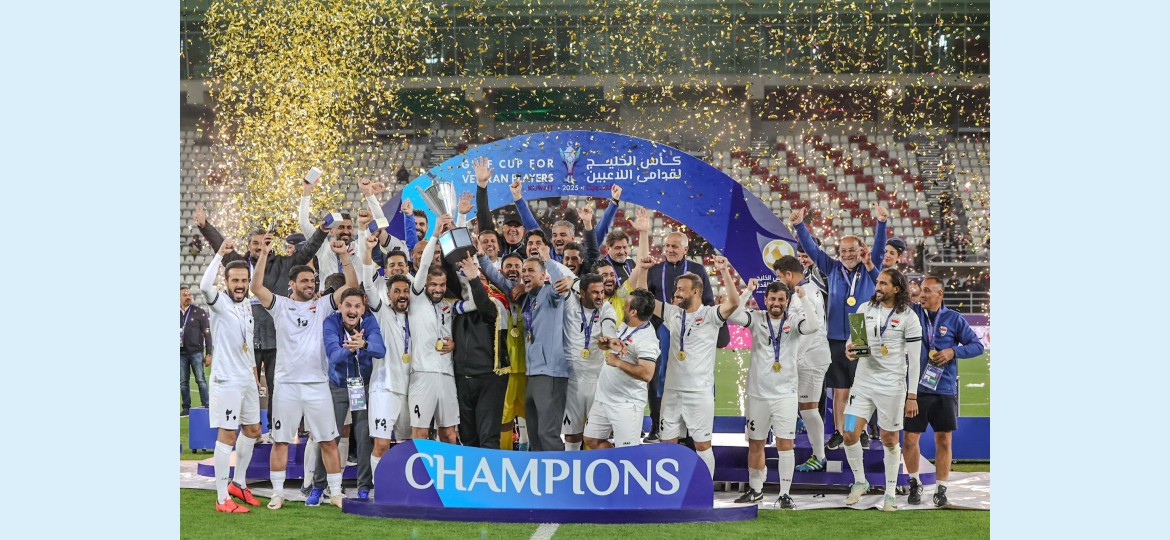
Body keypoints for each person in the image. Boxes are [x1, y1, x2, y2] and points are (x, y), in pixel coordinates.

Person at [193, 203, 328, 429]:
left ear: (269, 244)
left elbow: (307, 251)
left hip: (277, 339)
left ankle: (276, 429)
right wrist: (205, 226)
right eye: (254, 243)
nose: (258, 247)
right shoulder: (240, 264)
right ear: (249, 246)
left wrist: (321, 232)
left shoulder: (284, 264)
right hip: (247, 341)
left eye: (262, 242)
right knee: (248, 388)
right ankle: (249, 431)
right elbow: (219, 243)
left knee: (278, 388)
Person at [251, 237, 357, 510]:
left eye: (313, 281)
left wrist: (344, 256)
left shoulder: (322, 306)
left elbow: (352, 287)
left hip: (317, 384)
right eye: (305, 281)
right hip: (286, 385)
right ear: (292, 284)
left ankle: (336, 493)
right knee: (281, 441)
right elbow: (256, 287)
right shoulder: (279, 305)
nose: (311, 285)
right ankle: (277, 493)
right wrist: (263, 254)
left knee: (328, 441)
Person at [789, 205, 887, 451]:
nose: (848, 254)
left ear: (860, 250)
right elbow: (812, 249)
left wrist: (881, 223)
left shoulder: (868, 268)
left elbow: (878, 249)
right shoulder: (832, 267)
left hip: (859, 332)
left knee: (859, 389)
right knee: (840, 389)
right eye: (843, 251)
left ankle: (859, 431)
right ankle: (840, 432)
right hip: (833, 335)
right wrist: (799, 225)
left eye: (852, 250)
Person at [635, 256, 740, 479]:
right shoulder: (673, 313)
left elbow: (733, 302)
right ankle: (671, 489)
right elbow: (644, 299)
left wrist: (724, 271)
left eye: (682, 289)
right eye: (677, 289)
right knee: (667, 444)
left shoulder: (710, 315)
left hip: (699, 393)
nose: (677, 293)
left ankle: (706, 490)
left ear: (696, 292)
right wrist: (643, 271)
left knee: (702, 445)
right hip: (672, 392)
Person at [728, 279, 821, 508]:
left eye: (781, 299)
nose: (776, 303)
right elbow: (734, 315)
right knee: (756, 443)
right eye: (772, 299)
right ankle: (756, 490)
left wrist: (803, 298)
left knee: (785, 444)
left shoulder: (793, 320)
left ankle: (785, 494)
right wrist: (748, 291)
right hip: (758, 393)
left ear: (787, 301)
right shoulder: (757, 318)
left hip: (785, 395)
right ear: (766, 300)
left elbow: (813, 326)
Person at [842, 268, 922, 512]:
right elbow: (854, 342)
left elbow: (915, 361)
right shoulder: (864, 309)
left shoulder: (909, 317)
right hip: (863, 383)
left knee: (889, 439)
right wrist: (850, 349)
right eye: (877, 282)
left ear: (896, 289)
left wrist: (912, 395)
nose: (878, 287)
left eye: (884, 283)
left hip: (891, 387)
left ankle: (890, 494)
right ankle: (860, 481)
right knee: (848, 432)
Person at [904, 276, 984, 507]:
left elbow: (977, 346)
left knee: (944, 439)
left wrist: (953, 351)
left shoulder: (954, 319)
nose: (922, 294)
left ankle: (941, 489)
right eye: (922, 290)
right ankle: (914, 483)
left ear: (940, 294)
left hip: (944, 388)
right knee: (910, 439)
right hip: (915, 389)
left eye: (928, 291)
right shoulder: (912, 313)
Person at [198, 241, 262, 512]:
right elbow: (204, 286)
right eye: (235, 280)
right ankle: (222, 497)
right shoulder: (219, 303)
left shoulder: (247, 305)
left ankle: (239, 483)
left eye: (244, 280)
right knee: (227, 434)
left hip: (247, 378)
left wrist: (255, 374)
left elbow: (248, 343)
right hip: (227, 381)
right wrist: (220, 254)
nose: (240, 285)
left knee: (253, 430)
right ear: (226, 281)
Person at [644, 230, 724, 443]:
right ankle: (657, 424)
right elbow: (647, 300)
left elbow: (708, 300)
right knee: (659, 377)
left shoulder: (697, 270)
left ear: (685, 249)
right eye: (667, 246)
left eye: (675, 246)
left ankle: (694, 429)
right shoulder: (655, 270)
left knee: (697, 373)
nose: (670, 250)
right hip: (662, 328)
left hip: (692, 328)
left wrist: (713, 329)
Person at [408, 214, 479, 443]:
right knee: (420, 433)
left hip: (447, 375)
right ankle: (420, 467)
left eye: (441, 285)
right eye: (433, 285)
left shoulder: (449, 305)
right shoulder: (416, 298)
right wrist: (435, 234)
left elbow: (474, 303)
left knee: (449, 433)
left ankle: (445, 468)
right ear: (425, 284)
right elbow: (424, 265)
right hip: (422, 375)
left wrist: (470, 274)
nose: (437, 289)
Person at [315, 284, 386, 502]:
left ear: (363, 308)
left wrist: (364, 344)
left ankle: (364, 486)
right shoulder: (331, 322)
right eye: (348, 305)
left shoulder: (370, 322)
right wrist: (352, 348)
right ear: (340, 306)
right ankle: (318, 486)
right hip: (337, 386)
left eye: (357, 306)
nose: (352, 310)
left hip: (361, 387)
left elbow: (380, 350)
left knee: (364, 437)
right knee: (329, 437)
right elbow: (333, 355)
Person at [768, 256, 833, 473]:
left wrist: (793, 356)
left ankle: (819, 456)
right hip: (810, 356)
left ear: (788, 274)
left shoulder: (804, 294)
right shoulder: (807, 289)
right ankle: (798, 428)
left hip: (812, 357)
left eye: (780, 276)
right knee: (805, 407)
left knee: (809, 409)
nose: (779, 280)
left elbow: (811, 330)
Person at [361, 242, 414, 479]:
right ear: (388, 294)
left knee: (407, 445)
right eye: (397, 292)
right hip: (384, 388)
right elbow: (368, 284)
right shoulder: (381, 312)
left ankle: (403, 486)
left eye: (405, 291)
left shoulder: (417, 315)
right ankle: (379, 488)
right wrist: (366, 248)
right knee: (382, 444)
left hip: (411, 389)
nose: (402, 295)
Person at [583, 289, 659, 450]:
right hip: (603, 398)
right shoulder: (626, 324)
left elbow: (647, 373)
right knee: (592, 439)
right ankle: (613, 465)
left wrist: (618, 363)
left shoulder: (647, 339)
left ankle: (624, 465)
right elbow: (616, 346)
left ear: (633, 312)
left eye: (626, 304)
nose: (623, 306)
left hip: (626, 404)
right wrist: (606, 344)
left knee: (626, 452)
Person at [450, 249, 510, 450]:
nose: (470, 279)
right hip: (462, 377)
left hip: (488, 378)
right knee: (468, 439)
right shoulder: (457, 306)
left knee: (488, 439)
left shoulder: (497, 302)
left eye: (478, 276)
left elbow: (484, 305)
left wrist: (475, 279)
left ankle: (490, 472)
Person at [561, 273, 618, 450]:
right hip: (572, 380)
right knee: (572, 434)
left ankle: (607, 466)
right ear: (583, 293)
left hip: (598, 381)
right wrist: (572, 281)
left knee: (596, 437)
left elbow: (609, 328)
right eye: (595, 292)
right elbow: (560, 272)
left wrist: (609, 341)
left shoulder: (606, 308)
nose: (600, 296)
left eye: (602, 292)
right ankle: (571, 465)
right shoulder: (570, 303)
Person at [180, 285, 212, 416]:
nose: (188, 297)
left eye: (189, 294)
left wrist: (208, 353)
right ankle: (186, 407)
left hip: (196, 352)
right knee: (183, 382)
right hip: (180, 353)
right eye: (184, 295)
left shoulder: (199, 312)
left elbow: (207, 334)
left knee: (200, 379)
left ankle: (207, 404)